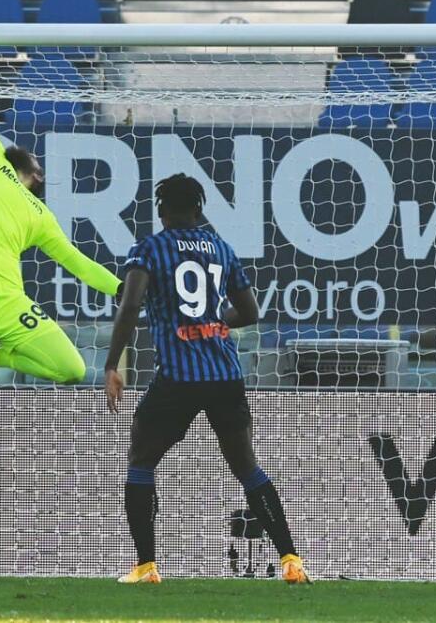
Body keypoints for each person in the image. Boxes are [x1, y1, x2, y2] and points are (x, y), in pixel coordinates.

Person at [0, 0, 122, 518]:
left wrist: (126, 289)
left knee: (70, 367)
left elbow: (79, 264)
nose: (45, 179)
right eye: (41, 172)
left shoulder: (42, 218)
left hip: (8, 301)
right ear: (27, 168)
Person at [105, 173, 311, 585]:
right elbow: (250, 312)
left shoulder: (149, 250)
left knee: (142, 460)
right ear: (199, 210)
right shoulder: (221, 248)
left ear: (162, 212)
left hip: (178, 376)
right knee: (247, 466)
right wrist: (215, 320)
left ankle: (146, 567)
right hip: (225, 374)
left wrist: (113, 365)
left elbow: (130, 307)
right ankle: (291, 560)